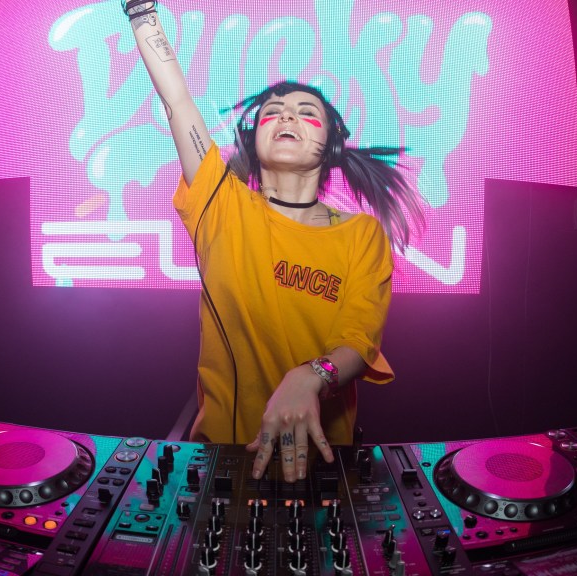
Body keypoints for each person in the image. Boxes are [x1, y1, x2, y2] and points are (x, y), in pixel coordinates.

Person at [124, 1, 425, 481]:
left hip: (325, 466)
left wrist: (311, 377)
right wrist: (141, 12)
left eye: (306, 113)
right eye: (273, 112)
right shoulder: (221, 204)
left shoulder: (361, 234)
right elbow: (176, 98)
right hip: (223, 461)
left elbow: (358, 340)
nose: (287, 116)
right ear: (255, 138)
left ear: (331, 144)